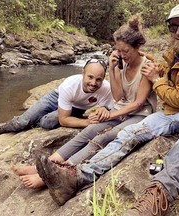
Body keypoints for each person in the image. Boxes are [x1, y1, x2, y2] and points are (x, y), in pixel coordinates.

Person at [36, 2, 179, 213]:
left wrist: (155, 79)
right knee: (129, 133)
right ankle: (78, 177)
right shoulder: (176, 52)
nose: (178, 32)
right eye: (173, 27)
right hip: (169, 113)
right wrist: (148, 66)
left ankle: (159, 195)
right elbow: (163, 74)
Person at [13, 15, 157, 191]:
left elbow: (137, 104)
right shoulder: (122, 63)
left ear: (137, 48)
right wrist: (111, 69)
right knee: (89, 130)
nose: (121, 54)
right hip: (121, 110)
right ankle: (45, 166)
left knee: (103, 137)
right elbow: (118, 97)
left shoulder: (147, 66)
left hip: (140, 114)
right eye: (118, 50)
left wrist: (110, 114)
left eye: (125, 51)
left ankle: (59, 172)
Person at [0, 58, 113, 135]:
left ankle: (36, 120)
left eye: (98, 79)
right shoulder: (69, 85)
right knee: (22, 123)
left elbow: (108, 107)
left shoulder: (106, 88)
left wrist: (104, 109)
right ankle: (1, 127)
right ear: (83, 73)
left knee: (47, 122)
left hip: (76, 108)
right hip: (55, 97)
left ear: (103, 79)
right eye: (90, 77)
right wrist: (87, 122)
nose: (93, 83)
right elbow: (64, 120)